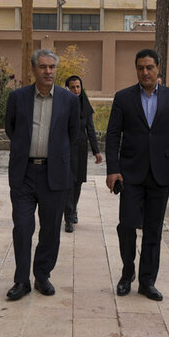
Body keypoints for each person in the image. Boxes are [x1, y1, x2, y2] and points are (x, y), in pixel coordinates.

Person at [104, 49, 169, 301]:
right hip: (130, 173)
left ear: (158, 69)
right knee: (127, 225)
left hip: (160, 173)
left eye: (149, 67)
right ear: (136, 69)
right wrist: (113, 169)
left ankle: (147, 282)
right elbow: (113, 136)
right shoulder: (123, 98)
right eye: (140, 68)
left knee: (153, 230)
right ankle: (127, 273)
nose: (145, 72)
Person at [4, 49, 80, 300]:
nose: (48, 71)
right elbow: (11, 128)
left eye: (52, 67)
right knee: (22, 227)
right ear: (33, 69)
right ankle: (21, 281)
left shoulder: (69, 100)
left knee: (50, 229)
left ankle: (42, 275)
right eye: (43, 67)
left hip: (54, 173)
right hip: (24, 173)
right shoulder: (17, 98)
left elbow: (73, 134)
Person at [64, 75, 102, 233]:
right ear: (68, 88)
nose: (76, 90)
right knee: (68, 182)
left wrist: (96, 151)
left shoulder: (85, 105)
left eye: (78, 86)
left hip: (80, 149)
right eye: (72, 87)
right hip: (66, 149)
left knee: (78, 182)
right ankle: (68, 218)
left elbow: (90, 130)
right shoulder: (63, 105)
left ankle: (73, 210)